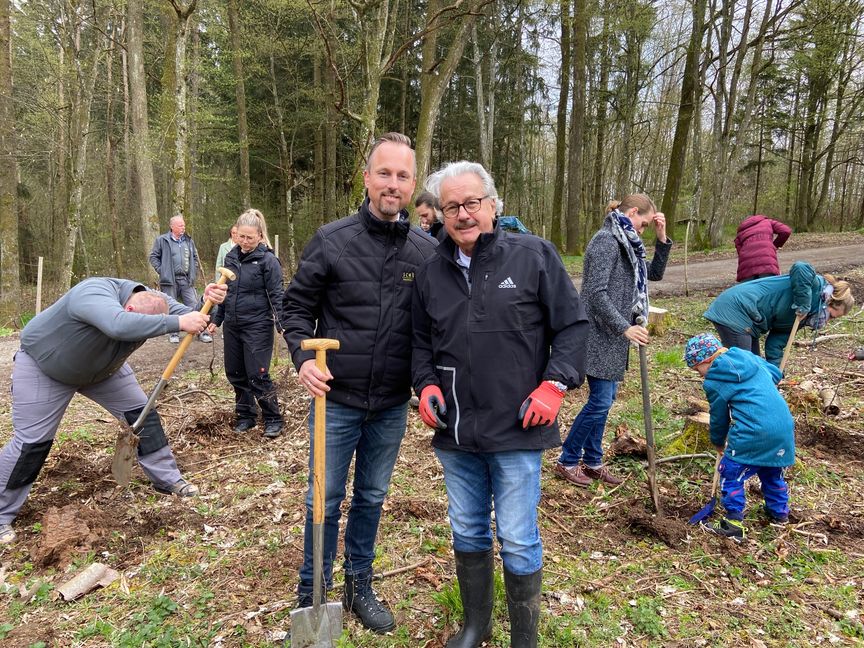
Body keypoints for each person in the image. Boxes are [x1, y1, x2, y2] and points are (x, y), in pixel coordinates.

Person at [413, 161, 588, 647]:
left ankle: (524, 639)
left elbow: (572, 328)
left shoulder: (533, 256)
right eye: (452, 206)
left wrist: (555, 385)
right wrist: (425, 384)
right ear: (440, 214)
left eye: (472, 203)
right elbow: (418, 344)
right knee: (467, 529)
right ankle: (476, 625)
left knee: (516, 535)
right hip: (456, 429)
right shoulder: (431, 271)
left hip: (517, 424)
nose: (463, 214)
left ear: (493, 204)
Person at [282, 133, 437, 632]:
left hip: (391, 404)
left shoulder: (424, 252)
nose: (393, 184)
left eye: (403, 176)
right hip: (337, 400)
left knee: (371, 496)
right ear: (367, 178)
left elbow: (430, 329)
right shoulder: (333, 240)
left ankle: (358, 585)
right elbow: (296, 309)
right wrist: (302, 358)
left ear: (414, 185)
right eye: (385, 173)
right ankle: (313, 590)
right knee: (322, 499)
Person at [0, 277, 227, 545]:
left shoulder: (153, 299)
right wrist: (177, 324)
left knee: (144, 419)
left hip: (105, 371)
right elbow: (118, 325)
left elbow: (186, 315)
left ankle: (167, 480)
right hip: (46, 369)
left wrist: (204, 303)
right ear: (129, 310)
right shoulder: (92, 293)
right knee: (31, 444)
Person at [554, 195, 672, 488]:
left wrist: (661, 238)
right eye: (644, 224)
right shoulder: (606, 241)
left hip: (614, 337)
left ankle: (592, 461)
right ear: (632, 212)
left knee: (604, 402)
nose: (643, 230)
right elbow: (594, 294)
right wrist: (624, 328)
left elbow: (652, 274)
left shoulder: (628, 243)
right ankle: (567, 459)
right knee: (600, 401)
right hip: (598, 333)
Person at [684, 333, 795, 542]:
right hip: (783, 427)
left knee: (731, 472)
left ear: (706, 360)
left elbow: (719, 416)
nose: (699, 375)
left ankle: (733, 523)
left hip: (754, 431)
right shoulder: (747, 356)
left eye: (697, 368)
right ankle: (779, 513)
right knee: (772, 471)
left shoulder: (715, 380)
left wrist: (717, 441)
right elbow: (775, 373)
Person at [212, 210, 285, 438]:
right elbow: (225, 291)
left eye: (249, 237)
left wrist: (282, 324)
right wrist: (217, 318)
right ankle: (246, 416)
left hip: (257, 325)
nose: (244, 241)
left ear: (260, 236)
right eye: (240, 236)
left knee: (257, 373)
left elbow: (277, 295)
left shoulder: (268, 261)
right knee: (235, 372)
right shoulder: (230, 257)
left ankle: (273, 418)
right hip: (233, 324)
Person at [703, 261, 854, 366]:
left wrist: (775, 371)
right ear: (829, 302)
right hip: (737, 307)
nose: (827, 321)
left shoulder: (802, 319)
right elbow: (801, 267)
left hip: (750, 319)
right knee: (744, 366)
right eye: (831, 315)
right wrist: (804, 303)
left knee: (756, 366)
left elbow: (775, 344)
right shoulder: (816, 288)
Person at [149, 215, 212, 343]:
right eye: (180, 225)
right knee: (171, 307)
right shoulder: (162, 240)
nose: (183, 228)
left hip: (186, 280)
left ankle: (202, 331)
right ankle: (174, 334)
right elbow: (153, 257)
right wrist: (163, 271)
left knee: (195, 305)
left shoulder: (188, 240)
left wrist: (193, 271)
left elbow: (194, 257)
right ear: (172, 227)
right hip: (169, 281)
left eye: (184, 225)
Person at [734, 214, 791, 282]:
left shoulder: (741, 232)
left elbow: (740, 252)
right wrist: (774, 245)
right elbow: (786, 231)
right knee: (768, 289)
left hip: (747, 267)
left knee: (749, 291)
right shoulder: (767, 221)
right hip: (767, 262)